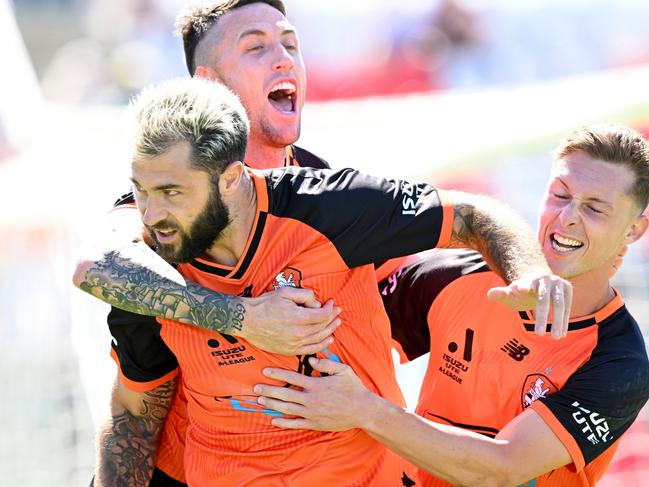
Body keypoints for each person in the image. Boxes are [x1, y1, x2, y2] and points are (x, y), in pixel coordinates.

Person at [74, 2, 569, 485]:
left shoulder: (329, 203)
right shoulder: (157, 236)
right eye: (256, 48)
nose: (284, 58)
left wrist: (526, 276)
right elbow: (133, 394)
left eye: (291, 44)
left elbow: (442, 252)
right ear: (210, 83)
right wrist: (247, 321)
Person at [254, 124, 649, 486]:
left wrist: (364, 411)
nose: (568, 218)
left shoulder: (620, 363)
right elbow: (336, 317)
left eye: (595, 208)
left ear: (635, 229)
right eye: (560, 195)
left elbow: (503, 468)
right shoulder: (457, 277)